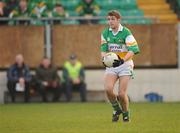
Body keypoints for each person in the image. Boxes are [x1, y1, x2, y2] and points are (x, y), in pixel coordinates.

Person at [100, 10, 140, 122]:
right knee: (108, 89)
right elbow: (103, 49)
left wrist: (122, 60)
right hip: (112, 65)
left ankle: (126, 114)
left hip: (125, 64)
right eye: (108, 19)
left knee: (122, 94)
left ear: (118, 20)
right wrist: (104, 59)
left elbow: (134, 50)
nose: (110, 21)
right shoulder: (105, 33)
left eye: (112, 19)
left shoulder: (126, 32)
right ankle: (117, 109)